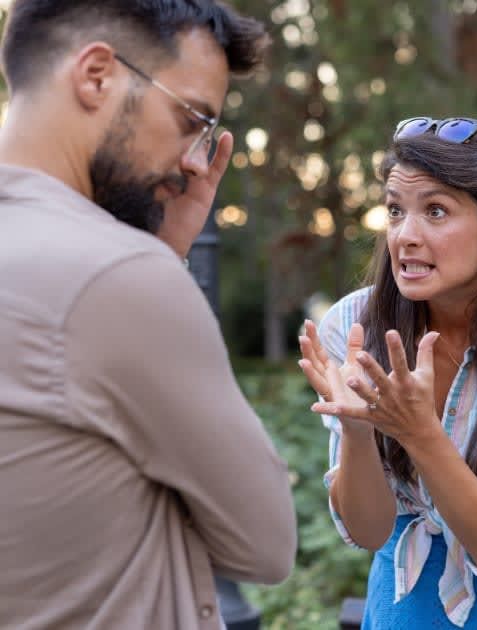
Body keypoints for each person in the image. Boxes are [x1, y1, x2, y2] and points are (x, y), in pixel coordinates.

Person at [0, 2, 296, 629]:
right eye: (191, 118)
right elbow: (265, 547)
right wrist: (156, 267)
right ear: (97, 76)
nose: (194, 159)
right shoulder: (116, 277)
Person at [299, 117, 477, 628]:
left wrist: (420, 434)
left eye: (435, 211)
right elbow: (368, 531)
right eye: (394, 211)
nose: (405, 236)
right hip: (400, 599)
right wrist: (358, 432)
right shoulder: (354, 326)